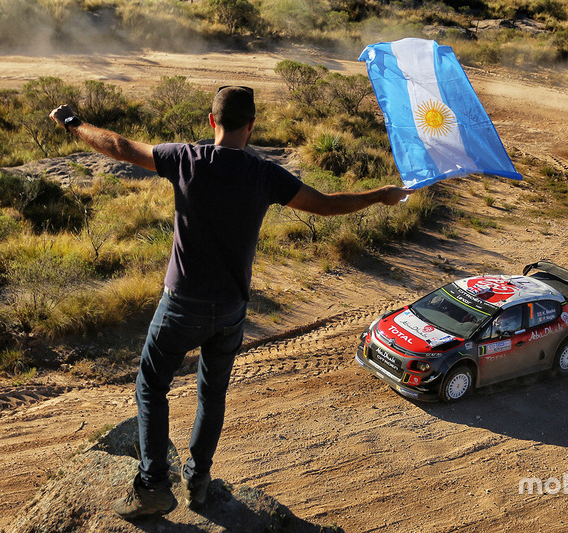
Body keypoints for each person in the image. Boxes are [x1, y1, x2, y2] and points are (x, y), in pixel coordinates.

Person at [50, 85, 411, 519]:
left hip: (181, 305)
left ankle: (152, 486)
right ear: (251, 126)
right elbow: (325, 204)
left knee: (151, 384)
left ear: (211, 121)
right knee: (212, 393)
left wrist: (73, 123)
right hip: (231, 312)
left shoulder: (187, 159)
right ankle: (197, 483)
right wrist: (379, 194)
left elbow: (121, 147)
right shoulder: (264, 174)